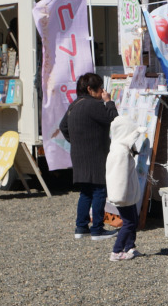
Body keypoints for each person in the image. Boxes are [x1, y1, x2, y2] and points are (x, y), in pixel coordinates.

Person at [60, 72, 118, 241]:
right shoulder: (94, 105)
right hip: (96, 154)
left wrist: (75, 141)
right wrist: (108, 102)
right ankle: (97, 230)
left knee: (85, 192)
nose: (102, 91)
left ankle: (81, 227)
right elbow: (114, 119)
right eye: (99, 88)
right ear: (89, 89)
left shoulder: (74, 105)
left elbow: (63, 126)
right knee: (99, 190)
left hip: (79, 155)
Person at [105, 115, 147, 261]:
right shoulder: (120, 152)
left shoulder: (120, 148)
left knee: (133, 220)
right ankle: (116, 251)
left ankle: (130, 247)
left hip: (126, 195)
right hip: (122, 195)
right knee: (129, 223)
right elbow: (117, 177)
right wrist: (119, 197)